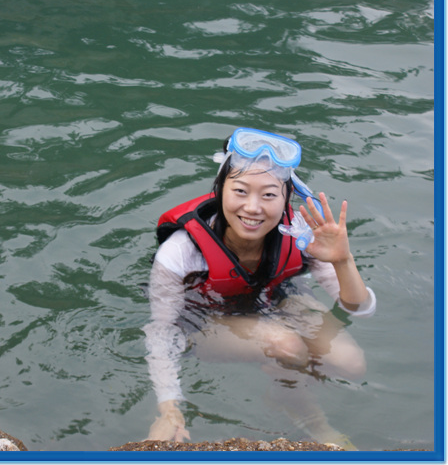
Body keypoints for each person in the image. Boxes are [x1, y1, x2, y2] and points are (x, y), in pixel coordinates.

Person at [143, 128, 376, 448]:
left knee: (352, 363)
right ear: (219, 190)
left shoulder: (303, 235)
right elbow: (161, 329)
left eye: (268, 195)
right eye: (240, 191)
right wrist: (169, 406)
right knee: (286, 344)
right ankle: (312, 419)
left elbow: (359, 310)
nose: (253, 208)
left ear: (286, 198)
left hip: (275, 298)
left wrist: (342, 260)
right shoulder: (182, 251)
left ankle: (282, 393)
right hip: (205, 317)